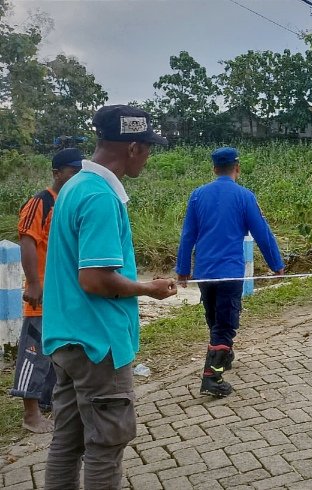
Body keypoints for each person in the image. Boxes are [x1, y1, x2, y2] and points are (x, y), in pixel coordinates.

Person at [41, 105, 177, 489]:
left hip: (67, 340)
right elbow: (96, 279)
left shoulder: (74, 186)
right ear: (133, 147)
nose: (150, 156)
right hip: (97, 345)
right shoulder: (99, 196)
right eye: (148, 147)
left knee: (68, 443)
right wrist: (148, 289)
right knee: (106, 443)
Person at [176, 147, 285, 398]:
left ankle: (224, 354)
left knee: (214, 318)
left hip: (204, 272)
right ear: (237, 167)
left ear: (215, 169)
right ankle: (212, 377)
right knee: (225, 324)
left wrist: (183, 270)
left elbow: (187, 235)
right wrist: (276, 264)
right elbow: (262, 233)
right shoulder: (244, 196)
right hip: (229, 273)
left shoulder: (197, 195)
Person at [10, 148, 82, 434]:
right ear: (57, 173)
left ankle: (49, 403)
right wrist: (34, 282)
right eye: (72, 171)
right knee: (34, 352)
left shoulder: (68, 203)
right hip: (42, 293)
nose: (76, 176)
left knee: (57, 353)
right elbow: (27, 241)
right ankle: (30, 414)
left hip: (63, 295)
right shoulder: (41, 203)